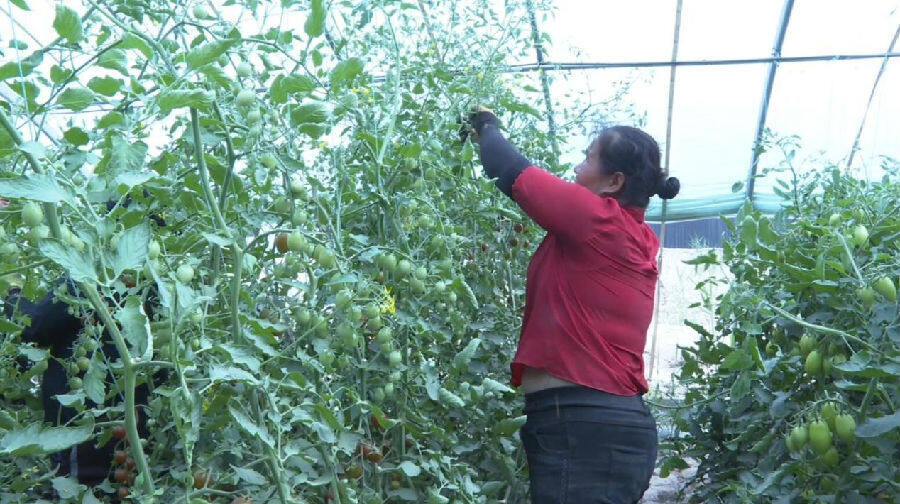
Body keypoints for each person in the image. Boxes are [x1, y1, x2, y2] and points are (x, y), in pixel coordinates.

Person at [465, 106, 680, 504]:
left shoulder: (598, 219)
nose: (577, 169)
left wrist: (486, 124)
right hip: (598, 424)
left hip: (582, 426)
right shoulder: (635, 235)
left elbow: (509, 170)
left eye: (587, 158)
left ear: (613, 181)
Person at [1, 197, 167, 490]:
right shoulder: (155, 289)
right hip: (129, 431)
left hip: (82, 427)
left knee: (78, 486)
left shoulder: (83, 278)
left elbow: (34, 327)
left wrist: (14, 292)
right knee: (123, 485)